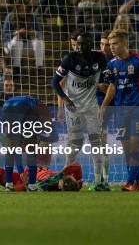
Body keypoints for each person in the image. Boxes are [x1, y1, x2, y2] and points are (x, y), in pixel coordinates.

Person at [100, 29, 139, 191]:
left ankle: (130, 182)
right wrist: (104, 105)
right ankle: (138, 182)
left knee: (135, 145)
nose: (111, 47)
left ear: (125, 43)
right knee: (126, 148)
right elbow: (112, 86)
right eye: (110, 44)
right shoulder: (111, 65)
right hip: (121, 111)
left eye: (115, 43)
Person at [51, 29, 110, 191]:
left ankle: (99, 182)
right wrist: (65, 100)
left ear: (90, 44)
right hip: (74, 109)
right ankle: (65, 177)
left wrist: (110, 77)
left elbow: (108, 76)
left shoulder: (99, 58)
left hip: (91, 108)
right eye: (78, 44)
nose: (79, 46)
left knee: (96, 143)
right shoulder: (69, 59)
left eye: (83, 44)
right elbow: (55, 82)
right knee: (75, 143)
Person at [0, 163, 82, 191]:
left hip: (18, 180)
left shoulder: (45, 185)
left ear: (61, 187)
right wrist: (62, 174)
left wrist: (25, 183)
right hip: (24, 174)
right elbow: (77, 167)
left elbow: (18, 189)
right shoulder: (75, 183)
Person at [2, 0, 44, 68]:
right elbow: (5, 34)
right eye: (20, 10)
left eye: (25, 10)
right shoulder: (10, 17)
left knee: (39, 41)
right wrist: (16, 33)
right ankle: (16, 67)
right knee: (18, 38)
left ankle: (39, 67)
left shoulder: (32, 17)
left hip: (27, 46)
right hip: (10, 46)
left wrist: (33, 33)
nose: (23, 12)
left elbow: (40, 33)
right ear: (17, 9)